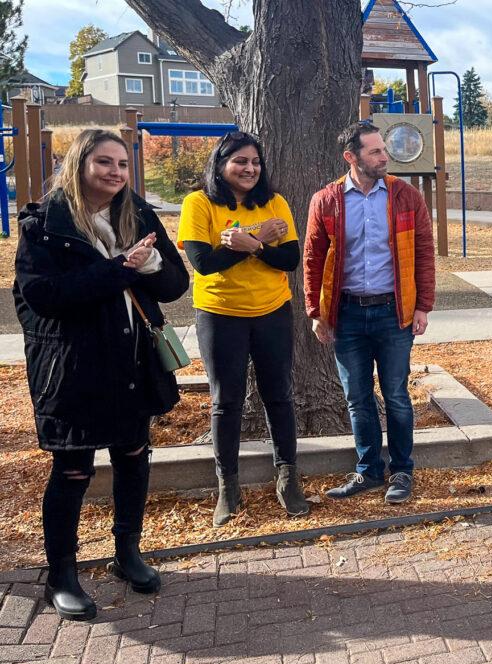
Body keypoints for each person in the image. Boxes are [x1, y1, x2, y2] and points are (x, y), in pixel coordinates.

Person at [13, 129, 189, 621]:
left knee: (133, 456)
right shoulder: (45, 224)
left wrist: (150, 262)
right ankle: (62, 574)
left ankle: (127, 552)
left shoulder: (137, 215)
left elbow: (176, 285)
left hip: (132, 363)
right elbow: (44, 297)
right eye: (104, 163)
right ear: (79, 165)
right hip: (71, 369)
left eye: (122, 165)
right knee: (72, 471)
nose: (115, 173)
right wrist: (118, 269)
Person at [178, 131, 309, 526]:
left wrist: (246, 244)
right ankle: (227, 486)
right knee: (226, 400)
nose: (250, 168)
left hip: (272, 311)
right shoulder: (198, 203)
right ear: (221, 165)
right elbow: (203, 262)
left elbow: (288, 258)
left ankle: (288, 477)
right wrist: (258, 238)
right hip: (220, 313)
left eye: (255, 162)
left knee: (279, 396)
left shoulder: (275, 203)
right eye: (240, 161)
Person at [304, 121, 435, 505]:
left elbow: (424, 254)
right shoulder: (326, 200)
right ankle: (368, 472)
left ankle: (402, 471)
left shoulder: (405, 196)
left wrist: (423, 305)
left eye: (384, 150)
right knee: (357, 397)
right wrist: (316, 311)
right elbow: (312, 259)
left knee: (395, 394)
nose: (384, 157)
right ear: (352, 157)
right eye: (375, 151)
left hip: (393, 313)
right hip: (346, 315)